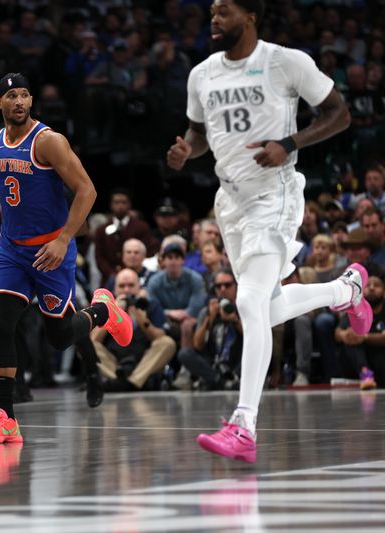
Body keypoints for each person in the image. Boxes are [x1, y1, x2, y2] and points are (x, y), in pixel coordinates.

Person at [167, 0, 368, 464]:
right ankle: (345, 290)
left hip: (274, 195)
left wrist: (290, 143)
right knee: (267, 306)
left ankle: (244, 424)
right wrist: (185, 151)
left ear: (250, 16)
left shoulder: (285, 61)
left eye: (224, 11)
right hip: (231, 201)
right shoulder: (202, 75)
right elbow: (198, 135)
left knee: (246, 301)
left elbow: (339, 114)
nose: (213, 19)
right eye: (211, 12)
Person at [0, 72, 132, 444]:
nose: (19, 102)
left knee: (59, 337)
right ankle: (5, 418)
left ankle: (103, 311)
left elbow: (87, 191)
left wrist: (63, 240)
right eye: (11, 96)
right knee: (2, 321)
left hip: (50, 247)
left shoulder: (48, 142)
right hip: (12, 249)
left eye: (25, 95)